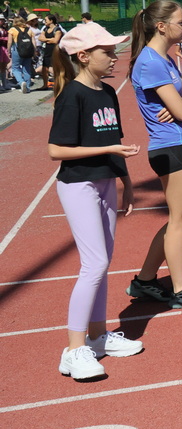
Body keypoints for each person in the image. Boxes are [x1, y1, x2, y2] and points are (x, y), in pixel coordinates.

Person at [49, 23, 143, 380]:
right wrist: (108, 150)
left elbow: (114, 136)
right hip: (79, 186)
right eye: (107, 51)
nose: (114, 56)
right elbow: (56, 149)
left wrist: (126, 181)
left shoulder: (107, 92)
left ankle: (99, 336)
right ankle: (73, 350)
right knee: (95, 263)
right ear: (84, 56)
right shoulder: (72, 96)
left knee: (103, 264)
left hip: (105, 183)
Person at [126, 1, 182, 311]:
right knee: (180, 220)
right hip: (170, 146)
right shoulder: (151, 61)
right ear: (161, 26)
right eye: (181, 22)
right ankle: (181, 289)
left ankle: (145, 280)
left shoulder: (163, 58)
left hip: (179, 142)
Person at [9, 16, 36, 93]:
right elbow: (34, 42)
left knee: (15, 68)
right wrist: (34, 52)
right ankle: (27, 87)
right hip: (28, 49)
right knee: (27, 68)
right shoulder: (29, 30)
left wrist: (8, 51)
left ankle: (21, 82)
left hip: (17, 49)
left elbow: (10, 42)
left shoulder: (12, 30)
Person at [39, 14, 63, 89]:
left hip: (55, 50)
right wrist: (49, 40)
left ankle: (59, 84)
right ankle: (45, 85)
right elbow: (40, 38)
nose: (44, 21)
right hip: (47, 50)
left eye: (46, 20)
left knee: (56, 68)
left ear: (51, 21)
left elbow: (56, 40)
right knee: (44, 68)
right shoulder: (45, 29)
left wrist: (46, 39)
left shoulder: (57, 29)